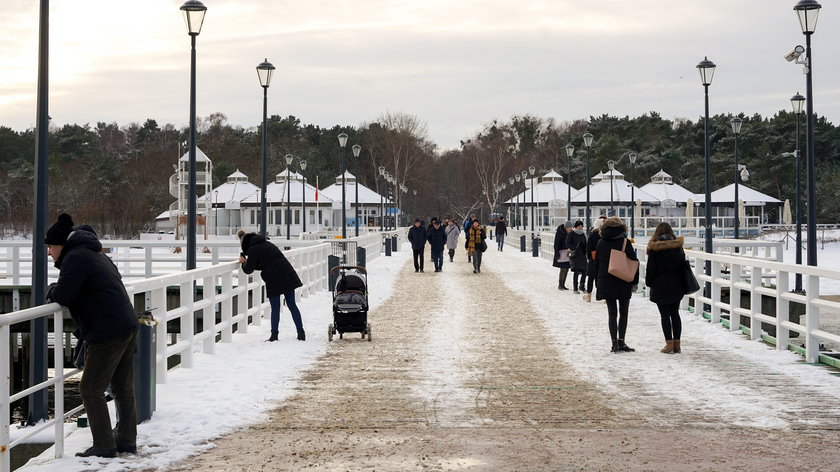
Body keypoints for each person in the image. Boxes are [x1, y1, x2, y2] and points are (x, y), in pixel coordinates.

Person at [45, 213, 139, 458]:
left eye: (50, 247)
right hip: (126, 323)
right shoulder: (95, 254)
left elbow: (64, 294)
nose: (49, 253)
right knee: (122, 387)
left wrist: (52, 289)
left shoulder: (75, 258)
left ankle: (104, 445)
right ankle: (126, 441)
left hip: (107, 330)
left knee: (90, 388)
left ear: (61, 245)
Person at [238, 230, 305, 341]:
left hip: (274, 279)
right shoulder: (267, 244)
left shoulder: (253, 250)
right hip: (287, 274)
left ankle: (274, 335)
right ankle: (301, 332)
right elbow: (265, 262)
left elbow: (248, 269)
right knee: (292, 305)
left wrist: (243, 263)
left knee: (275, 307)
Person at [593, 217, 639, 353]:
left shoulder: (601, 242)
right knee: (624, 313)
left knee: (612, 313)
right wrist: (634, 282)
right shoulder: (625, 242)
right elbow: (634, 262)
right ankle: (622, 342)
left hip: (606, 281)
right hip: (623, 280)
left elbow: (597, 264)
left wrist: (598, 282)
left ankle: (614, 344)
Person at [645, 222, 686, 354]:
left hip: (660, 284)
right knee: (675, 313)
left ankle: (668, 344)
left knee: (664, 315)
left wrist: (648, 282)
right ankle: (677, 344)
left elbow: (651, 268)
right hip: (676, 284)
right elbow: (682, 265)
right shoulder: (678, 247)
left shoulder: (654, 249)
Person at [583, 216, 606, 302]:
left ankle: (589, 295)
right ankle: (601, 295)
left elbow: (588, 249)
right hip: (602, 259)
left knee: (591, 278)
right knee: (600, 278)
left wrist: (589, 257)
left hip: (593, 258)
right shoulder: (603, 235)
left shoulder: (592, 236)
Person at [567, 220, 588, 294]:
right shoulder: (572, 234)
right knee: (576, 271)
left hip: (582, 255)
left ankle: (582, 286)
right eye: (579, 225)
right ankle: (575, 288)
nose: (580, 227)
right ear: (576, 226)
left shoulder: (583, 234)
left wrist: (585, 249)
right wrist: (574, 248)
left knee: (584, 271)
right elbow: (568, 243)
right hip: (575, 255)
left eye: (581, 225)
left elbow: (586, 243)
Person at [553, 222, 572, 290]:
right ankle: (560, 284)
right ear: (566, 227)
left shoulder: (569, 232)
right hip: (561, 252)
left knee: (566, 268)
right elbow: (556, 243)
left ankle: (563, 284)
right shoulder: (560, 232)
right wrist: (557, 253)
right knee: (563, 268)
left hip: (568, 251)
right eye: (570, 227)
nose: (571, 228)